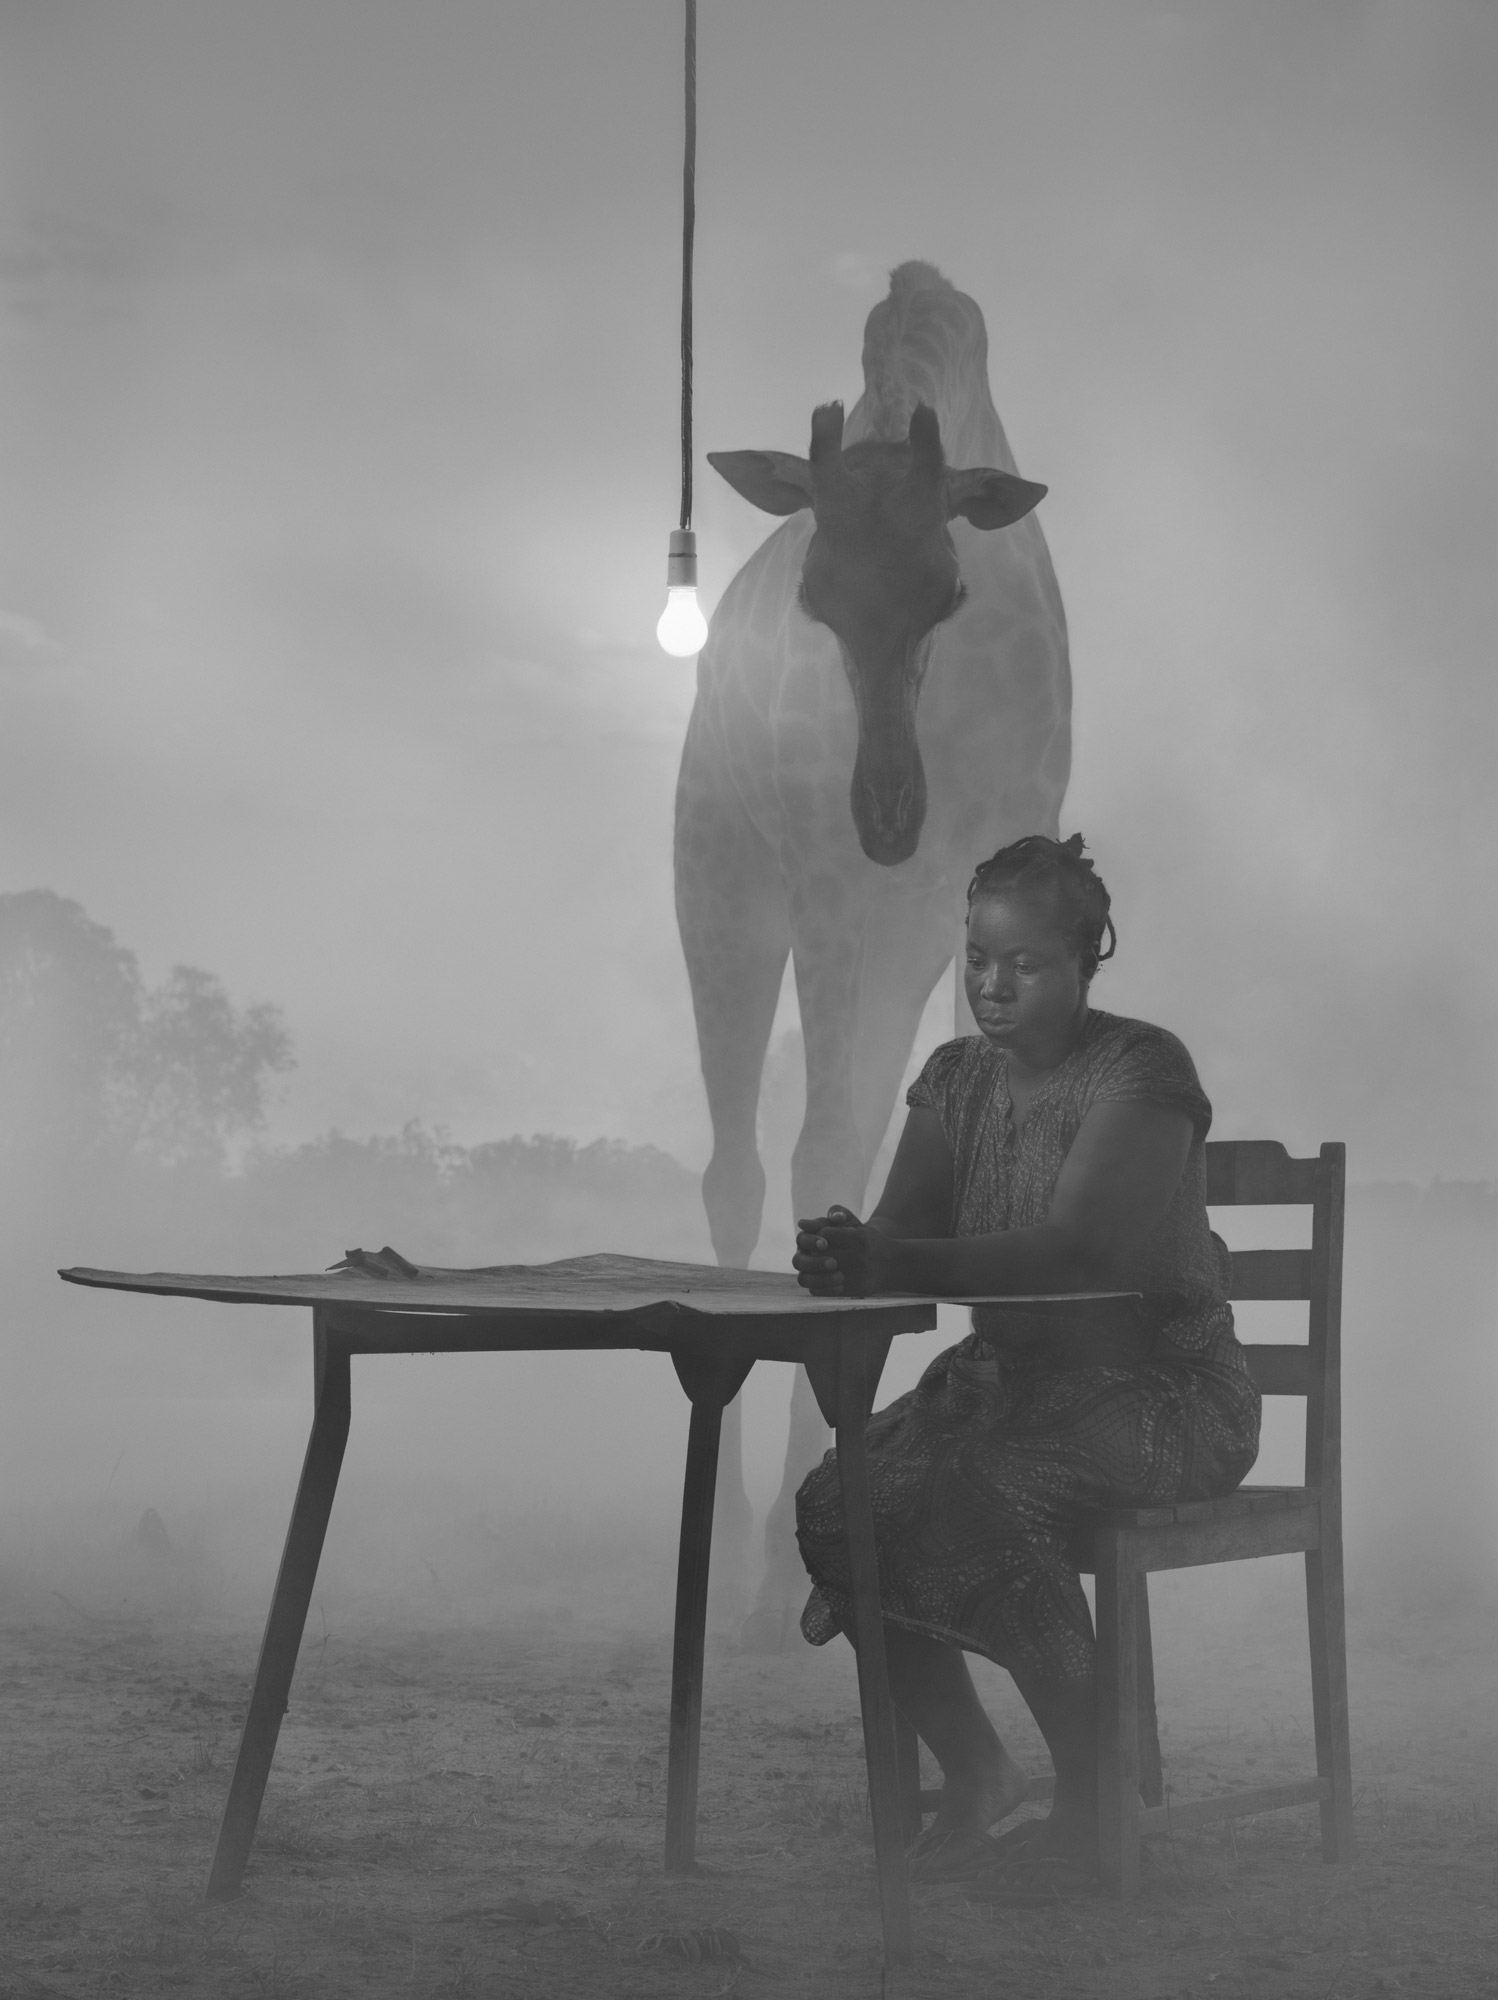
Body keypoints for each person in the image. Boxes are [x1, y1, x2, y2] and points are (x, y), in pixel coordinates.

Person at [791, 833, 1260, 1887]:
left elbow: (1079, 1246)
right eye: (977, 959)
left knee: (976, 1490)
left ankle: (1094, 1796)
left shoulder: (1142, 1069)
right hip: (1009, 1392)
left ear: (1085, 960)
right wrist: (846, 1257)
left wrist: (890, 1257)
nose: (992, 987)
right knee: (840, 1498)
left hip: (1162, 1393)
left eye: (1025, 963)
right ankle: (978, 1770)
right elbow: (900, 1235)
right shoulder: (955, 1077)